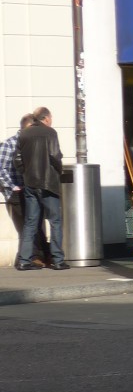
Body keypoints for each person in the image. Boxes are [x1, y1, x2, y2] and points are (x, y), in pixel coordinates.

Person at [14, 107, 69, 270]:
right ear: (46, 118)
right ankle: (57, 260)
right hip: (48, 183)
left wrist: (26, 173)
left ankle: (24, 260)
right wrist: (58, 172)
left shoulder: (24, 134)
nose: (51, 121)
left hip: (30, 183)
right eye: (51, 118)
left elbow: (17, 159)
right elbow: (55, 156)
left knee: (30, 222)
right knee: (55, 221)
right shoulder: (50, 133)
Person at [1, 113, 50, 267]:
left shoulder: (31, 144)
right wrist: (13, 187)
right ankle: (29, 258)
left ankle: (37, 256)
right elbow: (1, 169)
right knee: (26, 226)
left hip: (31, 189)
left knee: (34, 224)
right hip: (16, 192)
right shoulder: (9, 144)